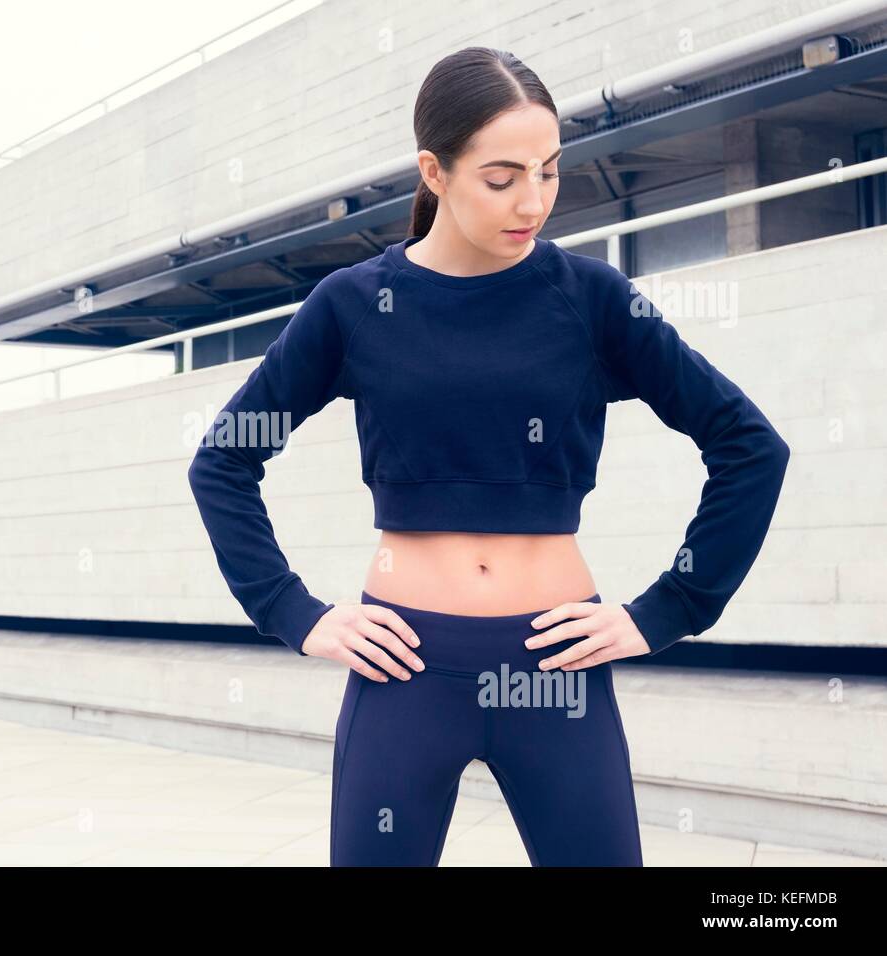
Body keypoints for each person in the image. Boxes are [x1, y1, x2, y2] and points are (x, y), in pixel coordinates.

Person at [186, 47, 790, 867]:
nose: (534, 201)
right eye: (502, 178)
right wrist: (299, 615)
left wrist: (666, 609)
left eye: (548, 172)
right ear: (434, 171)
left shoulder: (593, 298)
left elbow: (750, 446)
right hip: (404, 668)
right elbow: (223, 460)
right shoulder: (355, 305)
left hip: (556, 664)